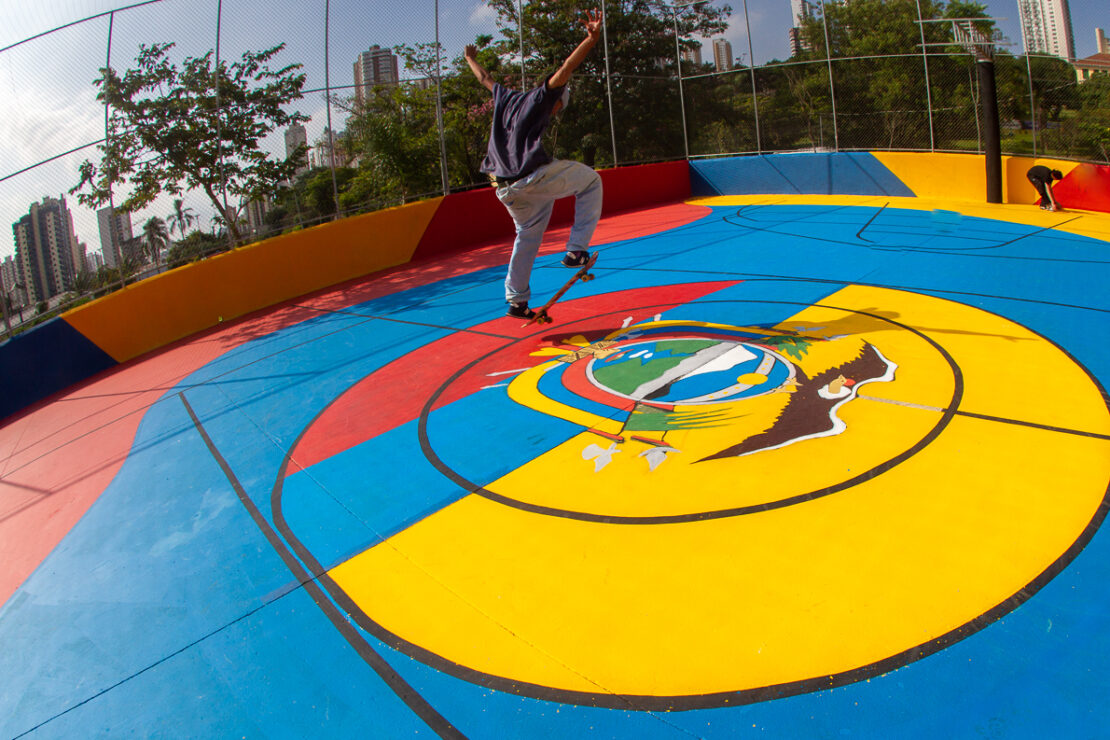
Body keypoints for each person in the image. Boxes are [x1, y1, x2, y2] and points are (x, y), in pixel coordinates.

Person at [465, 10, 605, 319]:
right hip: (531, 177)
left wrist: (469, 59)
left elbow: (485, 78)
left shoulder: (504, 97)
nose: (554, 114)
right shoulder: (542, 98)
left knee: (528, 233)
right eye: (557, 110)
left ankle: (516, 301)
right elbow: (566, 69)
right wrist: (590, 40)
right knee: (591, 181)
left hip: (504, 188)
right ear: (557, 103)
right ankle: (576, 249)